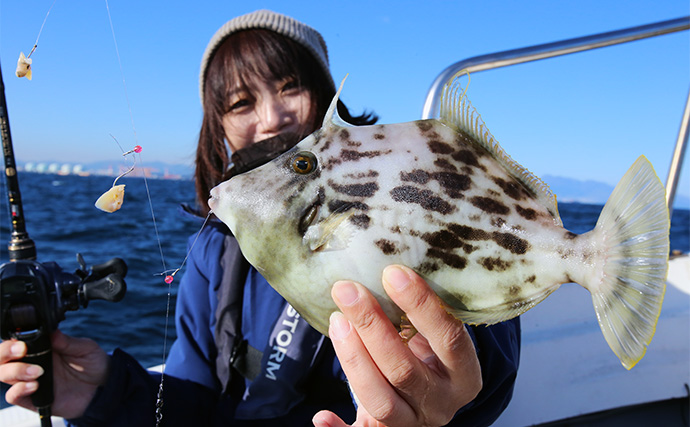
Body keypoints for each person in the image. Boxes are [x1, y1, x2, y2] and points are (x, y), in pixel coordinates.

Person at [0, 10, 520, 426]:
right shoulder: (214, 251)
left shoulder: (403, 193)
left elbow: (484, 341)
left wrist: (447, 390)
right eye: (241, 103)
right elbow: (197, 399)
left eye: (290, 86)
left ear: (325, 96)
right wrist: (102, 393)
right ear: (219, 129)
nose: (271, 118)